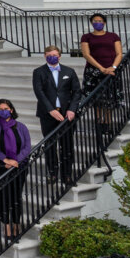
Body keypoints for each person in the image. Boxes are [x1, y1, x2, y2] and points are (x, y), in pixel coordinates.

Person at [0, 99, 32, 238]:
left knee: (16, 195)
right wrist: (5, 160)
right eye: (0, 109)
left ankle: (17, 223)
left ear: (11, 110)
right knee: (4, 195)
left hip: (19, 166)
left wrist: (15, 161)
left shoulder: (21, 127)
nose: (3, 111)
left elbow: (27, 147)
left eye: (6, 108)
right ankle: (6, 226)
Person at [32, 45, 79, 183]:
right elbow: (39, 92)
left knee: (67, 145)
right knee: (50, 145)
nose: (52, 57)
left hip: (66, 115)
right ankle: (52, 173)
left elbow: (76, 92)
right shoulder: (38, 72)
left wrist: (72, 109)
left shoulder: (69, 71)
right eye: (49, 55)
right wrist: (50, 110)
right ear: (45, 56)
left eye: (54, 55)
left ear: (60, 56)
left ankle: (67, 174)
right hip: (48, 115)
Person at [79, 14, 124, 140]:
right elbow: (87, 54)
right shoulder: (86, 37)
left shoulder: (113, 36)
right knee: (97, 99)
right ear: (91, 23)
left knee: (109, 97)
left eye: (100, 21)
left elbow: (119, 53)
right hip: (94, 71)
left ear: (104, 22)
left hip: (111, 70)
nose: (97, 23)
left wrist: (113, 67)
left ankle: (107, 124)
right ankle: (99, 123)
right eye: (95, 21)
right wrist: (100, 68)